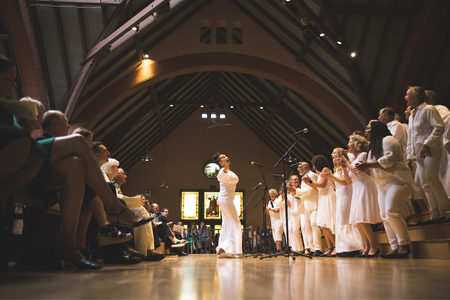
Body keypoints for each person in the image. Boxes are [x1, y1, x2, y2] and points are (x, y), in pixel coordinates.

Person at [356, 120, 413, 258]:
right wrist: (366, 171)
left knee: (391, 211)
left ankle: (404, 246)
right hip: (382, 186)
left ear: (376, 129)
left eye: (368, 128)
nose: (365, 131)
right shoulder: (372, 149)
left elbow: (389, 160)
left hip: (397, 181)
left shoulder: (388, 139)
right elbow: (373, 170)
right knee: (385, 217)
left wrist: (368, 166)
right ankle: (394, 247)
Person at [405, 86, 450, 223]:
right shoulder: (412, 114)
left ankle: (445, 212)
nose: (405, 98)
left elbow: (439, 127)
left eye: (408, 95)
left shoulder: (428, 109)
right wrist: (409, 156)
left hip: (430, 150)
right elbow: (411, 137)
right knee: (424, 183)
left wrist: (427, 144)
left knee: (432, 180)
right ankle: (434, 214)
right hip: (418, 153)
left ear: (416, 96)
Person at [341, 134, 382, 257]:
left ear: (357, 143)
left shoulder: (363, 154)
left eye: (350, 141)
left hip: (364, 188)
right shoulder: (353, 159)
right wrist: (344, 167)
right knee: (358, 221)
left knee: (363, 219)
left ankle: (373, 246)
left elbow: (356, 170)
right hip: (356, 189)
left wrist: (347, 163)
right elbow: (349, 180)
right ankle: (367, 246)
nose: (348, 144)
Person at [321, 148, 364, 257]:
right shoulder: (336, 169)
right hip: (339, 195)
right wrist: (329, 177)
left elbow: (346, 182)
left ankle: (353, 246)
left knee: (346, 219)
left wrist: (331, 176)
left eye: (334, 152)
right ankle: (344, 247)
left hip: (346, 195)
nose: (332, 154)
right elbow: (335, 186)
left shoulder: (345, 167)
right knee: (341, 219)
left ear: (340, 154)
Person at [303, 155, 336, 257]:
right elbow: (318, 189)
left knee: (327, 224)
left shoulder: (325, 170)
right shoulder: (320, 173)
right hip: (322, 198)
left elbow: (322, 185)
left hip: (328, 197)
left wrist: (311, 181)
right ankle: (330, 247)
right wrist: (310, 184)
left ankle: (336, 246)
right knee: (323, 225)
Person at [213, 153, 242, 258]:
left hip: (228, 200)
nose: (226, 157)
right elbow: (221, 176)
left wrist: (226, 167)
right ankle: (236, 250)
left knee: (227, 223)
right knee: (236, 222)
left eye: (225, 156)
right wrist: (225, 167)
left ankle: (224, 248)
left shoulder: (229, 171)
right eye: (222, 158)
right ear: (221, 163)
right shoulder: (222, 171)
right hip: (225, 200)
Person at [294, 163, 321, 256]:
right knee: (306, 228)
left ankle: (318, 248)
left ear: (306, 168)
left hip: (313, 204)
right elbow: (304, 193)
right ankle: (311, 248)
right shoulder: (303, 178)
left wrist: (295, 191)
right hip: (305, 206)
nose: (298, 169)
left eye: (300, 167)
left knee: (314, 225)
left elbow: (311, 191)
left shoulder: (312, 175)